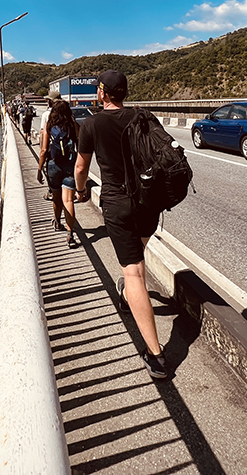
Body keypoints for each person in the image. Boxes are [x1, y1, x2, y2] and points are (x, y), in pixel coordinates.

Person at [73, 70, 168, 379]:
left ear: (102, 92)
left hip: (118, 204)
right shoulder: (143, 116)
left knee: (134, 272)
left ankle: (156, 355)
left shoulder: (92, 124)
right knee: (137, 258)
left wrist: (80, 189)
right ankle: (128, 293)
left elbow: (80, 166)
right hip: (148, 203)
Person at [37, 99, 81, 248]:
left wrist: (39, 170)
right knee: (68, 200)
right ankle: (70, 235)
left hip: (53, 166)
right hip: (69, 165)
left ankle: (57, 222)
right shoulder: (73, 125)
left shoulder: (48, 126)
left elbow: (43, 150)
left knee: (56, 198)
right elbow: (80, 147)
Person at [40, 90, 61, 200]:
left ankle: (51, 191)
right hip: (67, 155)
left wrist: (39, 167)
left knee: (52, 177)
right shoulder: (66, 114)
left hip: (51, 153)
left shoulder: (46, 115)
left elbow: (42, 134)